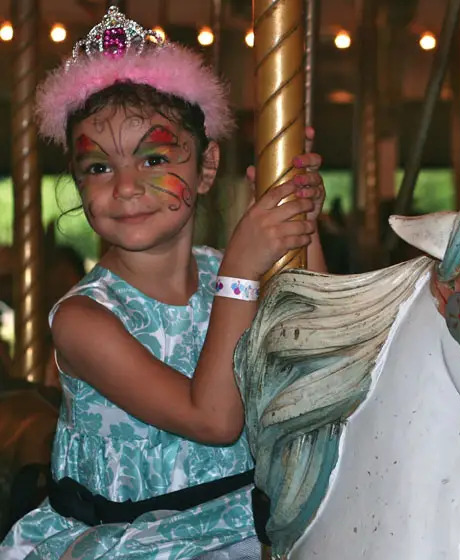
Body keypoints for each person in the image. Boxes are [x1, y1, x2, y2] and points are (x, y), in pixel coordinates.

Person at [0, 6, 327, 559]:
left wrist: (299, 219)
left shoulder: (225, 276)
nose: (125, 187)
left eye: (153, 158)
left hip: (249, 525)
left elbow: (315, 349)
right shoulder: (85, 320)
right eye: (98, 168)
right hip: (135, 542)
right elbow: (214, 420)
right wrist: (242, 274)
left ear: (204, 168)